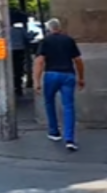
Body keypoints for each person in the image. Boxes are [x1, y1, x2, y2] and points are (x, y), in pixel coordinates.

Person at [33, 18, 84, 151]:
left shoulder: (45, 41)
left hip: (51, 74)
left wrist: (36, 81)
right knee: (68, 106)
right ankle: (69, 139)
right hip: (68, 75)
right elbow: (78, 60)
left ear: (49, 29)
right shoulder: (69, 40)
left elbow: (39, 61)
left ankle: (54, 131)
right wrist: (81, 78)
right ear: (59, 28)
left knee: (49, 102)